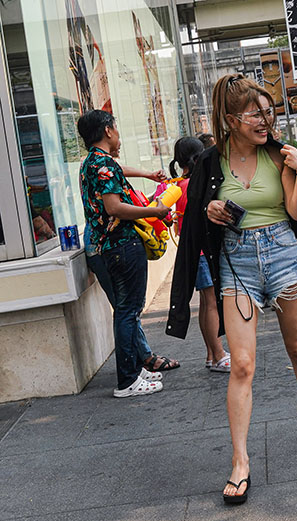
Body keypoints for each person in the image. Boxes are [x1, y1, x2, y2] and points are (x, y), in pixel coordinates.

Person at [167, 74, 297, 506]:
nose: (266, 120)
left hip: (282, 255)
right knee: (241, 364)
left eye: (269, 111)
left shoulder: (279, 155)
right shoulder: (210, 161)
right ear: (230, 119)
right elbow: (199, 210)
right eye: (255, 114)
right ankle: (240, 461)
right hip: (236, 264)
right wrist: (209, 206)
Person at [77, 110, 172, 397]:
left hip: (109, 246)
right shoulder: (104, 165)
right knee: (128, 311)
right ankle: (128, 380)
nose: (117, 133)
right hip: (120, 244)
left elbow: (116, 174)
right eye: (115, 128)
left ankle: (133, 370)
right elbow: (114, 207)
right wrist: (155, 210)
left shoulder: (92, 163)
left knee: (126, 310)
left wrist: (145, 174)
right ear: (107, 130)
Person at [169, 136, 230, 372]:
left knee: (206, 303)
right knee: (212, 303)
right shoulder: (195, 184)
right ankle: (219, 353)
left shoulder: (179, 186)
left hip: (195, 252)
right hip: (204, 251)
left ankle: (211, 354)